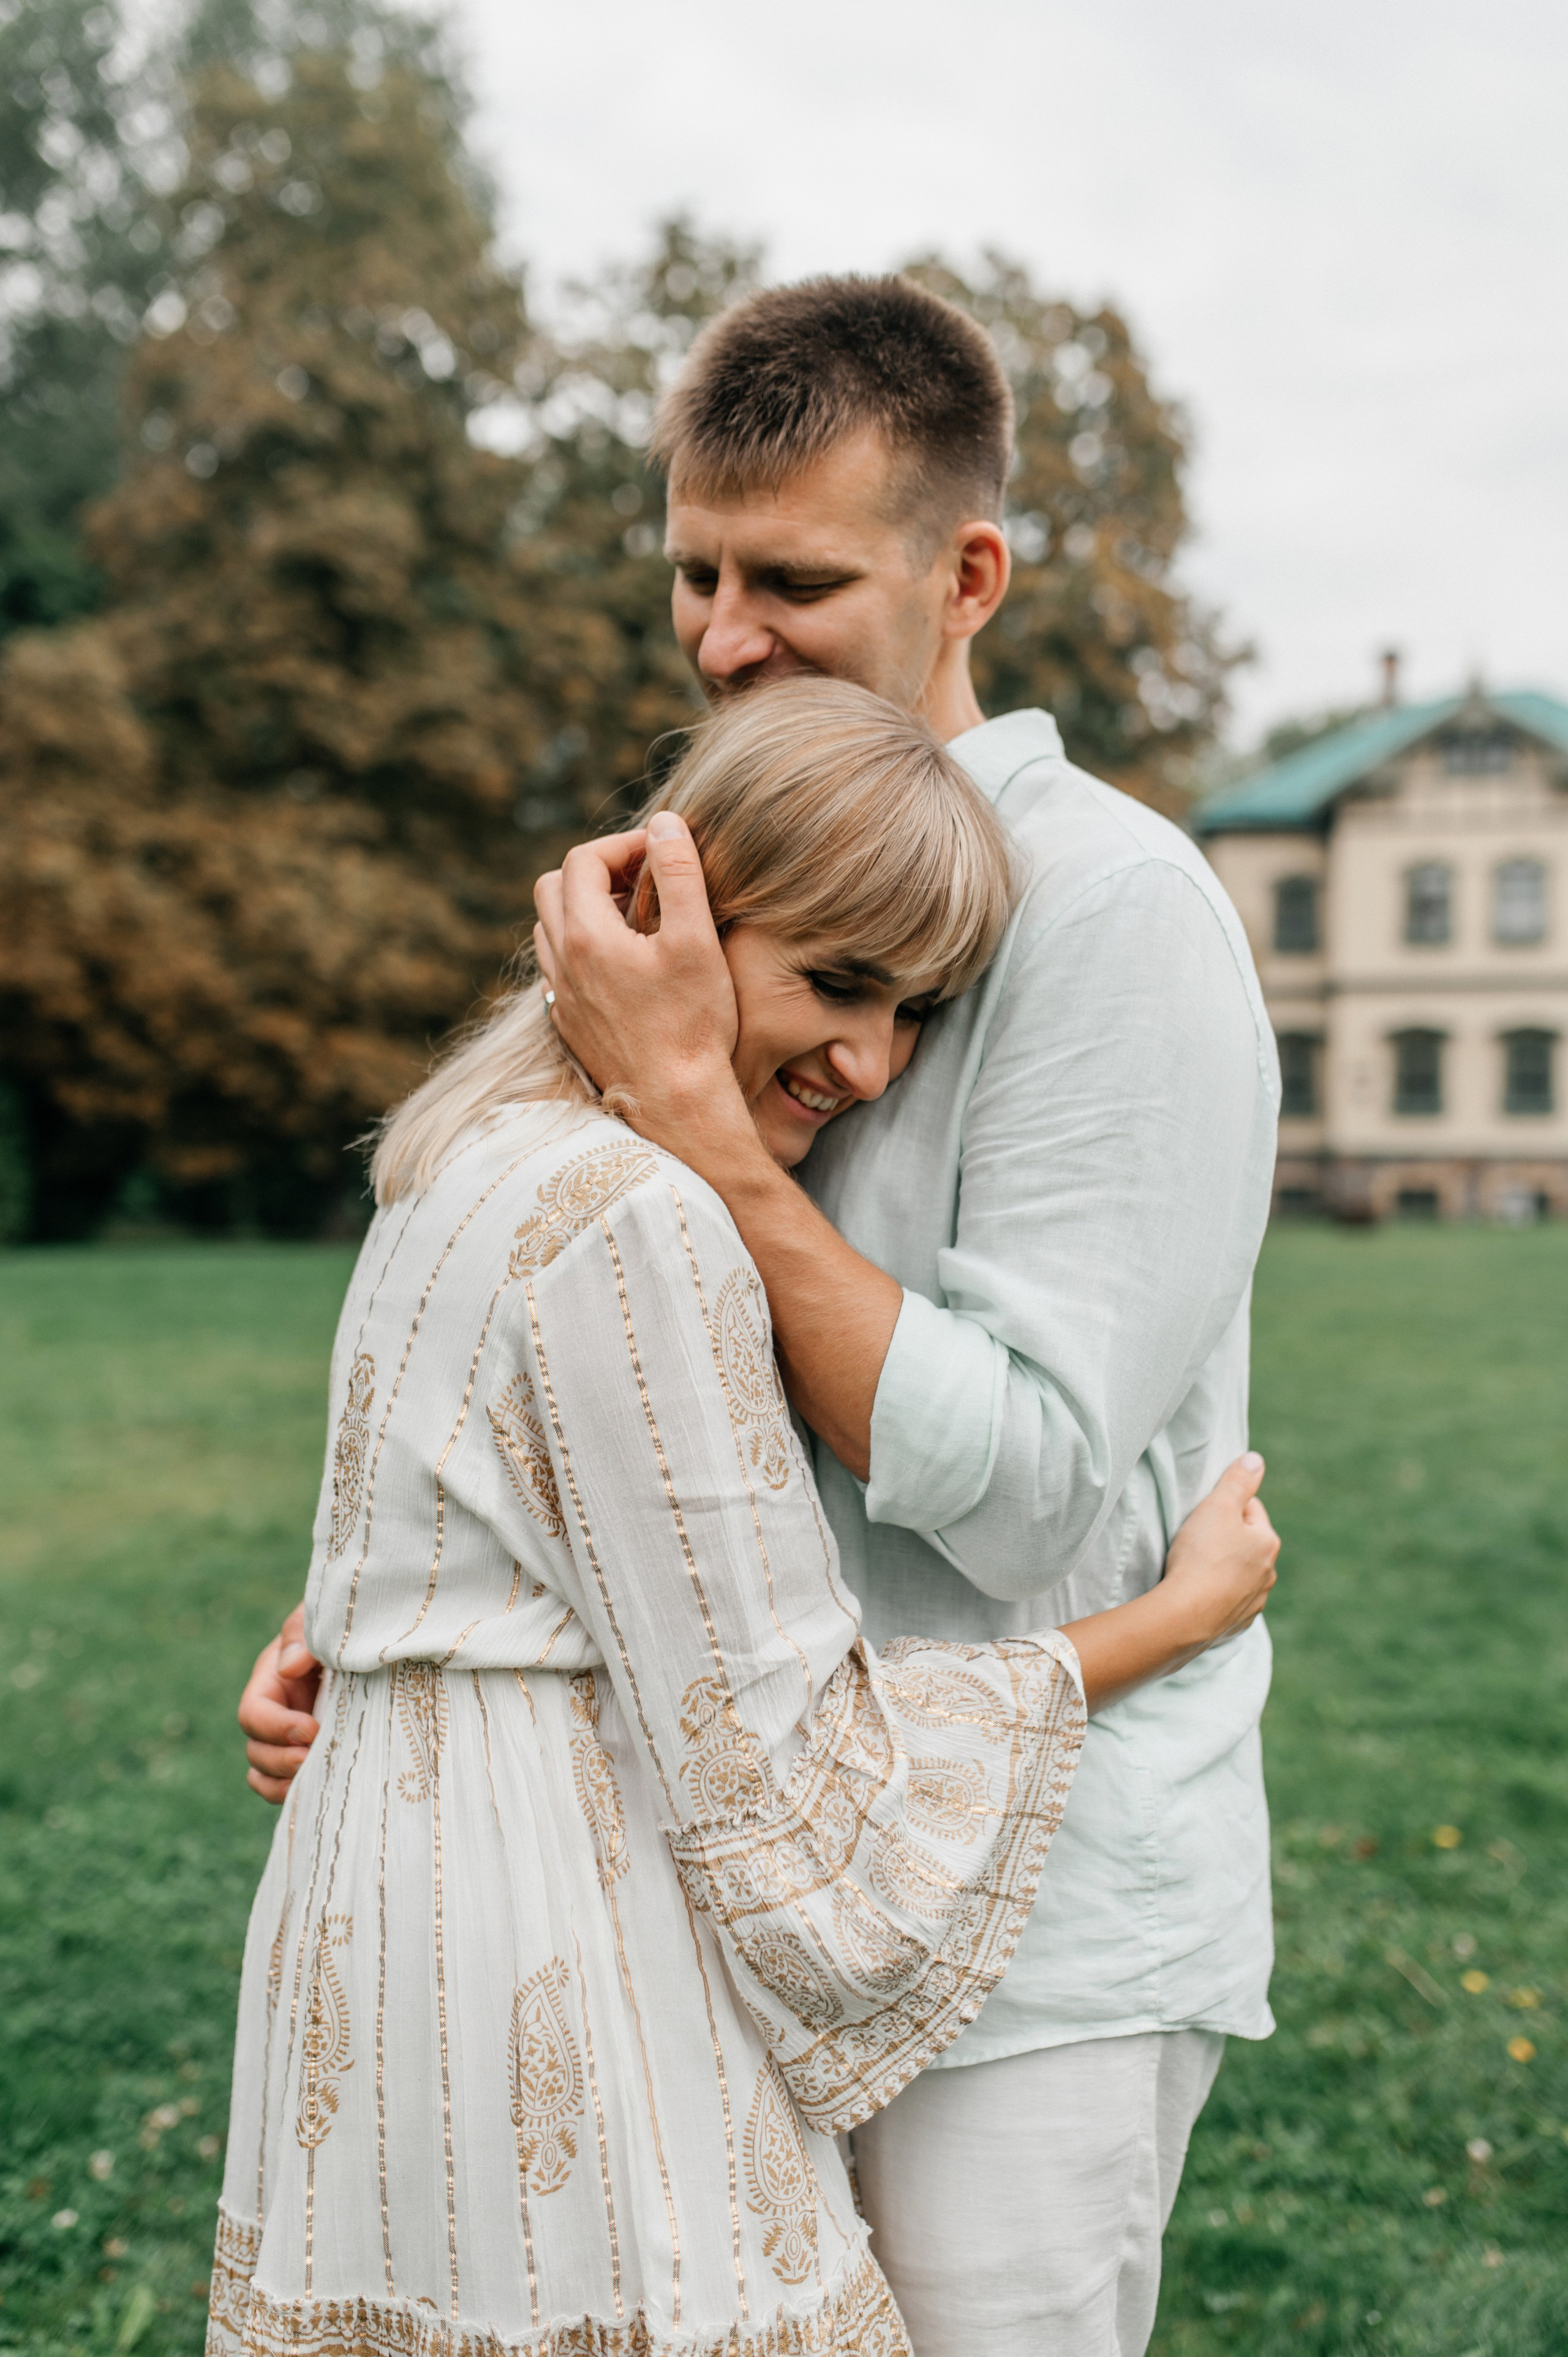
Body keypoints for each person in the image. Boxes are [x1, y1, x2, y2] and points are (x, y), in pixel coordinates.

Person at [243, 276, 1282, 2356]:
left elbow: (1032, 1489)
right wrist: (402, 1609)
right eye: (698, 575)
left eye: (792, 578)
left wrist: (697, 1115)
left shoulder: (1118, 911)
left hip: (1028, 1940)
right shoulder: (742, 867)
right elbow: (596, 1334)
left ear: (965, 573)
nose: (723, 636)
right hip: (693, 1904)